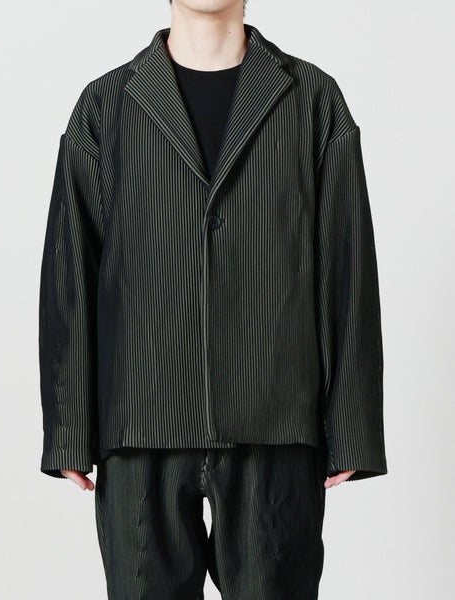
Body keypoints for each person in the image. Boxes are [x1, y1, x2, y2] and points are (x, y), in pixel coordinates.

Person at [38, 1, 388, 598]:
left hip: (273, 418)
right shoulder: (106, 106)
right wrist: (69, 426)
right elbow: (71, 269)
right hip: (142, 417)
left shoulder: (314, 100)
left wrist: (351, 426)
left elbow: (346, 265)